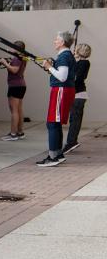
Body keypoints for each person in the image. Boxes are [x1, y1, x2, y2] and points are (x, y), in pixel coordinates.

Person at [37, 30, 76, 167]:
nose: (54, 41)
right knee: (54, 123)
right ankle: (57, 154)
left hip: (61, 90)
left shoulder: (64, 56)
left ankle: (53, 156)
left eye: (56, 39)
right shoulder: (65, 55)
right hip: (63, 90)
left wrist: (49, 67)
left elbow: (62, 77)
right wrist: (51, 66)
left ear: (63, 42)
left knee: (53, 123)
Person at [63, 43, 91, 154]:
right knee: (74, 120)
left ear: (80, 51)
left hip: (78, 94)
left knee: (74, 120)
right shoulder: (80, 63)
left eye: (76, 49)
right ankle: (72, 141)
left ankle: (71, 142)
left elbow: (78, 78)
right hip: (78, 94)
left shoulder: (84, 63)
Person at [0, 41, 27, 141]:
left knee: (14, 111)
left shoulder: (17, 59)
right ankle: (20, 132)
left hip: (15, 86)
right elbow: (14, 55)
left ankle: (13, 134)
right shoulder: (23, 57)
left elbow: (14, 70)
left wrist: (5, 63)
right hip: (21, 85)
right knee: (19, 110)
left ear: (17, 48)